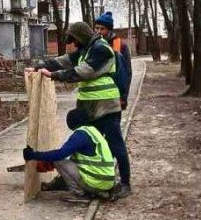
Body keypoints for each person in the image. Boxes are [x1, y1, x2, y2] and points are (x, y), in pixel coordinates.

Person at [27, 22, 132, 199]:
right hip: (90, 107)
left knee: (115, 144)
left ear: (82, 37)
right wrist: (39, 66)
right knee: (82, 145)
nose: (74, 44)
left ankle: (125, 183)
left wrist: (55, 75)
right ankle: (69, 177)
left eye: (75, 40)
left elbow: (84, 72)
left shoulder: (101, 49)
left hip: (106, 106)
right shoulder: (86, 50)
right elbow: (64, 60)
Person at [23, 108, 116, 202]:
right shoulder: (92, 131)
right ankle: (97, 191)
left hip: (97, 181)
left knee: (58, 161)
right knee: (71, 158)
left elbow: (60, 154)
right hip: (106, 182)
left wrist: (33, 155)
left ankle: (79, 194)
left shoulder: (80, 135)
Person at [94, 11, 133, 109]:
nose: (98, 31)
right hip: (96, 95)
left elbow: (127, 73)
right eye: (96, 28)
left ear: (109, 30)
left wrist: (123, 97)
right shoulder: (93, 44)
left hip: (114, 95)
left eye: (102, 29)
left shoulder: (119, 45)